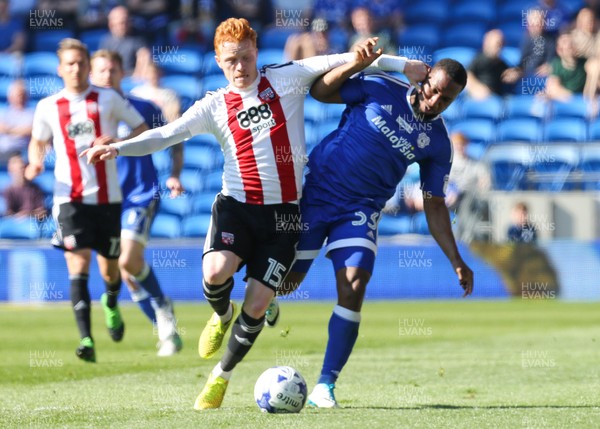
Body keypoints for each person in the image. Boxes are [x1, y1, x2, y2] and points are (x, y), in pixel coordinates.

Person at [81, 17, 427, 409]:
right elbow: (167, 134)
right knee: (215, 272)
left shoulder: (287, 77)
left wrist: (404, 66)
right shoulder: (213, 106)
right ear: (217, 60)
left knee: (261, 303)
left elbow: (351, 57)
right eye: (231, 61)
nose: (240, 68)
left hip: (284, 216)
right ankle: (222, 312)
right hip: (236, 208)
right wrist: (119, 147)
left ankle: (220, 378)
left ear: (256, 52)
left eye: (245, 58)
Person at [278, 56, 474, 408]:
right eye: (434, 91)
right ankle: (259, 303)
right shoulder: (380, 86)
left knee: (354, 284)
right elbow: (322, 91)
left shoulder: (438, 143)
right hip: (317, 193)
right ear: (425, 78)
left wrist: (456, 259)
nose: (435, 101)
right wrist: (362, 63)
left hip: (361, 209)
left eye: (446, 99)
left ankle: (326, 384)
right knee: (287, 283)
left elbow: (433, 203)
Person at [25, 38, 148, 363]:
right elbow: (38, 142)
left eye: (81, 62)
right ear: (60, 69)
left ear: (87, 65)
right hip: (69, 198)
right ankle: (86, 339)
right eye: (70, 63)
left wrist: (119, 142)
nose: (76, 68)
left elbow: (142, 128)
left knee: (109, 272)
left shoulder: (107, 98)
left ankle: (110, 302)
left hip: (108, 200)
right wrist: (35, 162)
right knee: (77, 264)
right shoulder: (48, 106)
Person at [89, 49, 184, 357]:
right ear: (93, 76)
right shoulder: (87, 114)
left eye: (112, 70)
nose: (107, 75)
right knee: (122, 274)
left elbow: (176, 137)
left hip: (140, 194)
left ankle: (164, 308)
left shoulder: (142, 107)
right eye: (101, 71)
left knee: (129, 261)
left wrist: (175, 174)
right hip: (104, 200)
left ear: (121, 73)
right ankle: (165, 329)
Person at [99, 6, 147, 74]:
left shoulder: (138, 37)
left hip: (132, 75)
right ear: (111, 24)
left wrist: (137, 76)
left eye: (127, 21)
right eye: (121, 23)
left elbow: (144, 56)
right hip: (113, 75)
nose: (125, 25)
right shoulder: (106, 41)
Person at [467, 29, 512, 99]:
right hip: (478, 97)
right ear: (487, 44)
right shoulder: (479, 59)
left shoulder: (501, 64)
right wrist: (477, 88)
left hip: (496, 99)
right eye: (497, 44)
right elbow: (468, 75)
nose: (499, 48)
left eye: (501, 44)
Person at [2, 152, 46, 218]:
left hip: (32, 224)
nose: (21, 171)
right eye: (17, 169)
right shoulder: (7, 192)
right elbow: (6, 214)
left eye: (23, 167)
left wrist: (28, 215)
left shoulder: (35, 189)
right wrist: (17, 217)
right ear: (10, 170)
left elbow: (42, 212)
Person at [545, 33, 587, 102]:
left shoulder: (584, 63)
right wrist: (572, 97)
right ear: (559, 50)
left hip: (583, 101)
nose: (570, 43)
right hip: (566, 101)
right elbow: (553, 88)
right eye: (565, 42)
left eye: (572, 42)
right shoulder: (557, 64)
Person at [0, 80, 35, 163]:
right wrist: (18, 131)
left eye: (22, 95)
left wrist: (8, 130)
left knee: (17, 163)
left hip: (20, 153)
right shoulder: (3, 112)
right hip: (2, 150)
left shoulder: (32, 114)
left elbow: (30, 130)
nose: (19, 98)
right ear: (10, 97)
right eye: (17, 95)